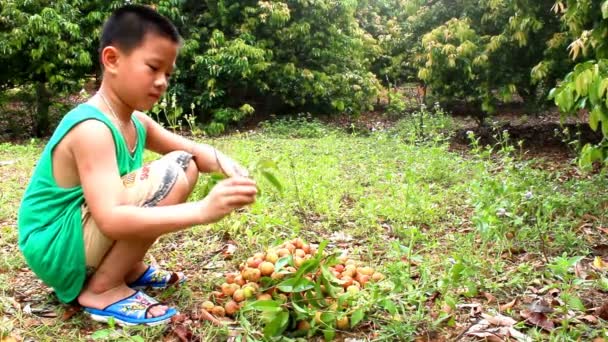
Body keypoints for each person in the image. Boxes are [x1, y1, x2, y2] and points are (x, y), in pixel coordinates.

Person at [17, 4, 258, 327]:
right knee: (175, 171)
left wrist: (235, 170)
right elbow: (113, 220)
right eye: (153, 68)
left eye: (168, 74)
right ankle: (102, 289)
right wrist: (204, 210)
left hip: (77, 233)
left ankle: (126, 269)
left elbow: (196, 152)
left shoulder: (136, 122)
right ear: (112, 60)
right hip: (55, 243)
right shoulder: (93, 128)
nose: (162, 82)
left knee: (186, 164)